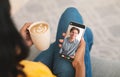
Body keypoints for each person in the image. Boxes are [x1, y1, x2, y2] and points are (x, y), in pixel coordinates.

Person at [0, 0, 89, 77]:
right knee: (72, 14)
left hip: (22, 68)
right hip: (35, 72)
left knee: (80, 36)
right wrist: (79, 65)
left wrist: (17, 49)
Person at [34, 7, 93, 77]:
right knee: (71, 13)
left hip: (27, 71)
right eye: (73, 32)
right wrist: (79, 65)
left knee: (84, 33)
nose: (74, 34)